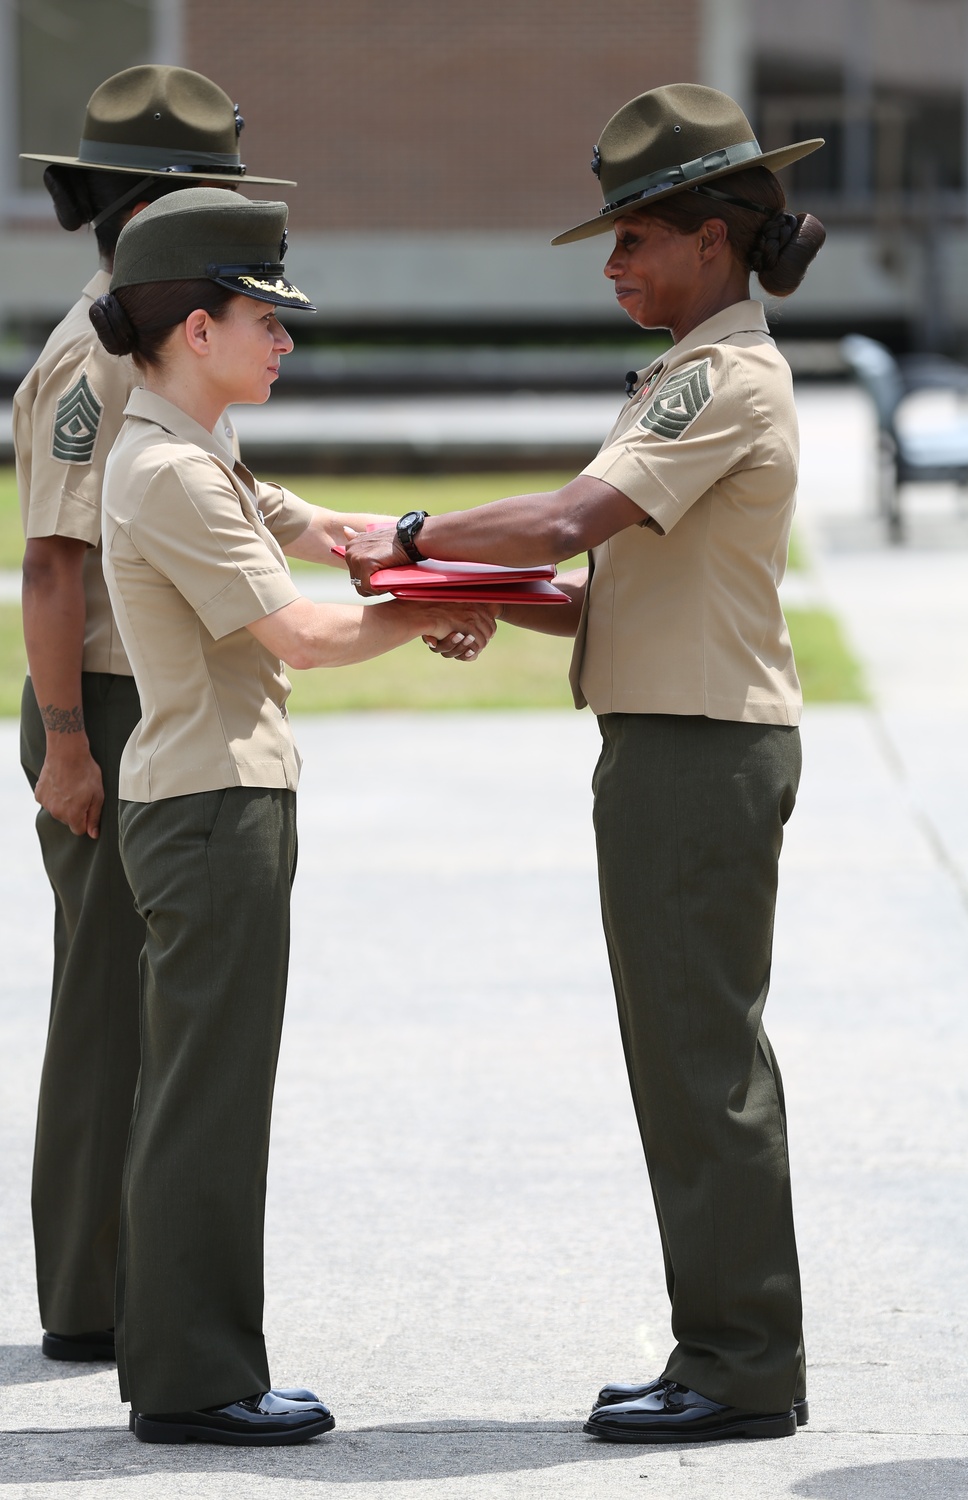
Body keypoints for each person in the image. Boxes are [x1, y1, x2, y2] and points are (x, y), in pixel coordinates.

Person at [346, 83, 826, 1445]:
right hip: (677, 741)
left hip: (698, 753)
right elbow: (613, 565)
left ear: (717, 241)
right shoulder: (695, 371)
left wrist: (408, 530)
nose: (616, 265)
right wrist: (465, 593)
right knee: (685, 1060)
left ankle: (739, 1366)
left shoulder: (720, 377)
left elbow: (568, 520)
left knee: (699, 1065)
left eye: (635, 238)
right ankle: (726, 1348)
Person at [92, 186, 494, 1444]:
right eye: (263, 316)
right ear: (194, 330)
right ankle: (198, 1381)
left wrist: (418, 554)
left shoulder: (197, 452)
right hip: (211, 809)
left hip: (213, 803)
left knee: (200, 1091)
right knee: (207, 1100)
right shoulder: (169, 472)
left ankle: (190, 1363)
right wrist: (428, 610)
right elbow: (306, 637)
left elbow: (323, 534)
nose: (284, 339)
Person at [15, 64, 298, 1366]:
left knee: (138, 1002)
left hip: (142, 696)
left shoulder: (149, 327)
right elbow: (53, 563)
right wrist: (69, 744)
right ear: (147, 198)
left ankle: (115, 1280)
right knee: (105, 1007)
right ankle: (87, 1294)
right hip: (108, 704)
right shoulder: (92, 354)